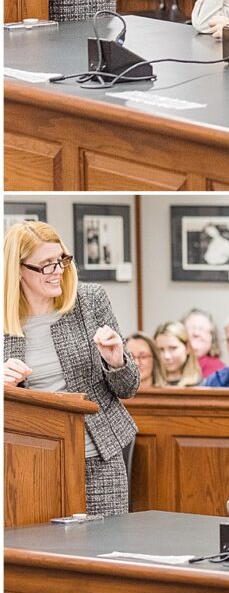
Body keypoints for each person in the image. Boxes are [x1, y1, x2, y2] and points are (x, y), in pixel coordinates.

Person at [3, 221, 139, 515]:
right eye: (45, 265)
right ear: (18, 269)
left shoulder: (90, 300)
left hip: (101, 455)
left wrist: (116, 360)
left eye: (61, 260)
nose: (58, 272)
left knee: (106, 549)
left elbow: (128, 388)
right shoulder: (5, 319)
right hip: (32, 460)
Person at [152, 320, 203, 387]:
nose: (167, 356)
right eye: (161, 350)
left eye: (173, 348)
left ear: (187, 348)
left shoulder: (203, 385)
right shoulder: (149, 383)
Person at [182, 308, 222, 378]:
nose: (196, 333)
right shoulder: (168, 364)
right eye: (191, 328)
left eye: (202, 329)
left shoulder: (219, 371)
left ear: (212, 337)